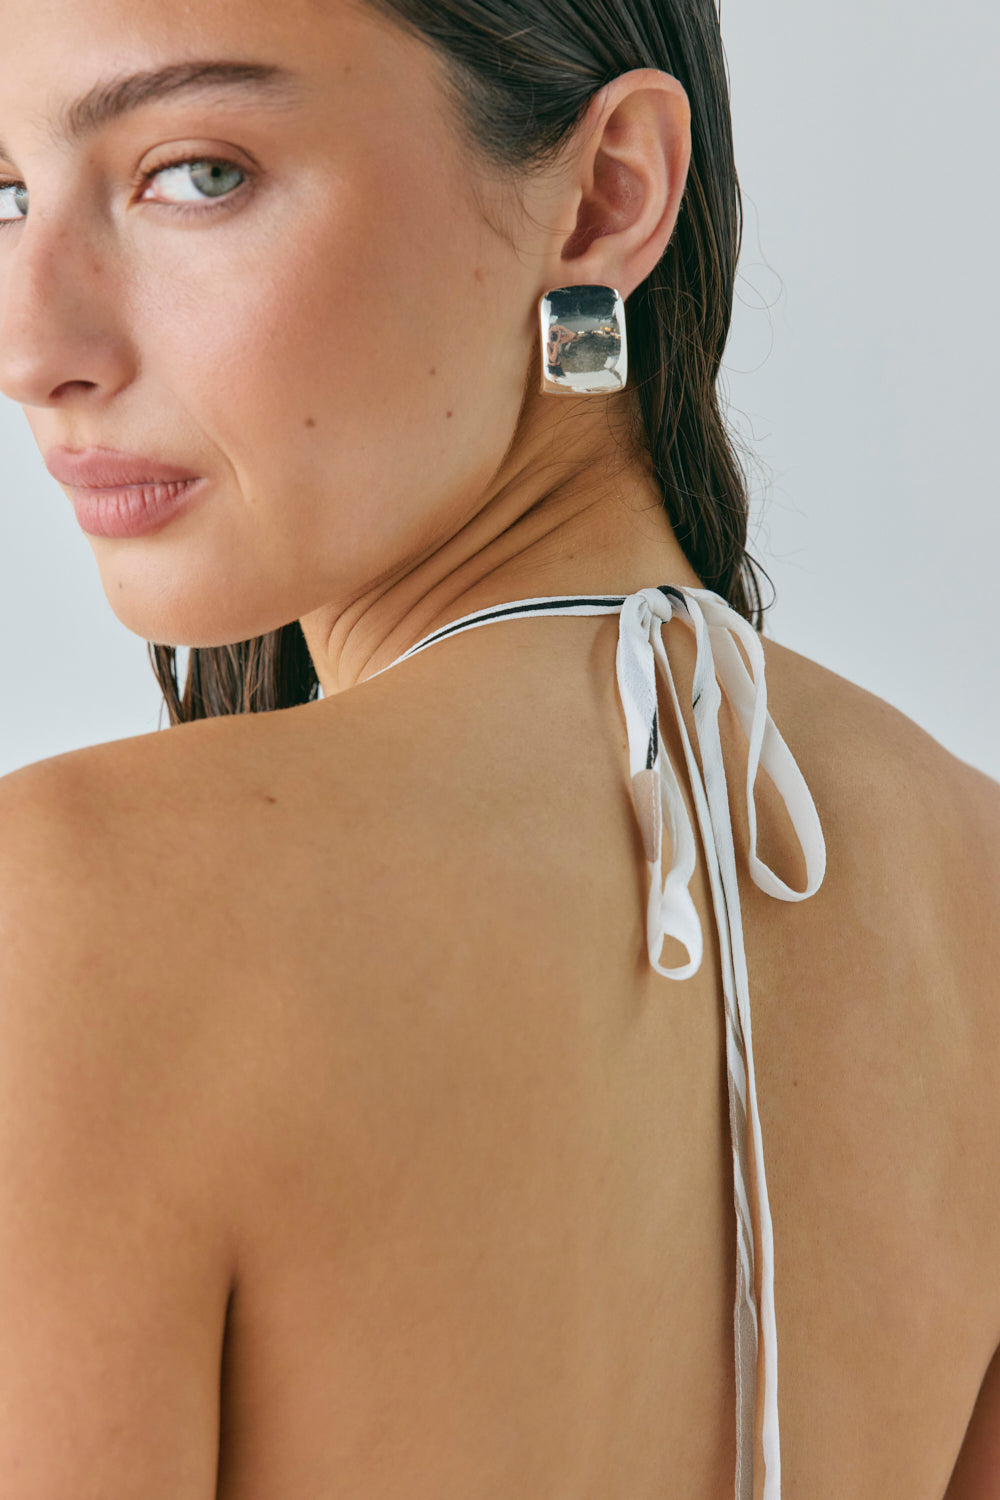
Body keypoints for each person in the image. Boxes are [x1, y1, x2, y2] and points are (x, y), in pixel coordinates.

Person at [0, 0, 997, 1495]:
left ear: (606, 197)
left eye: (196, 174)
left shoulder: (81, 907)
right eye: (7, 193)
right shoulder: (978, 893)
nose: (33, 348)